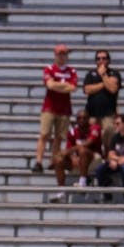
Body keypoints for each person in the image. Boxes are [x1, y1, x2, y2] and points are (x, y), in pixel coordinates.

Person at [31, 44, 77, 174]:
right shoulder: (49, 69)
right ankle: (39, 161)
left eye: (64, 54)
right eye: (59, 54)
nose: (62, 56)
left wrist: (58, 85)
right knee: (44, 134)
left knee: (59, 137)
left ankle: (53, 161)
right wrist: (64, 85)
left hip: (64, 108)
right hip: (49, 107)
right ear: (55, 55)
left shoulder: (71, 71)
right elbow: (50, 85)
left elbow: (72, 88)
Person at [52, 110, 101, 192]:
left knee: (82, 150)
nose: (82, 120)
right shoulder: (72, 132)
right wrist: (70, 156)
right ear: (76, 120)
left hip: (95, 159)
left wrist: (70, 151)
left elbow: (88, 143)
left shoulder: (95, 128)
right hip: (80, 160)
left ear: (88, 119)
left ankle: (82, 183)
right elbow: (69, 150)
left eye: (84, 118)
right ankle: (60, 192)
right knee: (58, 160)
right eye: (79, 118)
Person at [95, 113, 124, 199]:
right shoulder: (115, 137)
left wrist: (117, 161)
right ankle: (107, 192)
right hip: (119, 162)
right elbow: (110, 154)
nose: (115, 126)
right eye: (114, 123)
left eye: (118, 123)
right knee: (99, 169)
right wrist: (114, 160)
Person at [82, 49, 121, 129]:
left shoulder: (114, 73)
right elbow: (87, 90)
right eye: (98, 58)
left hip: (109, 114)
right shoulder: (90, 74)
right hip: (92, 114)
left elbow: (113, 89)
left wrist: (103, 74)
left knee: (108, 138)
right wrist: (105, 83)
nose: (101, 60)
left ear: (108, 60)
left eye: (104, 58)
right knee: (93, 138)